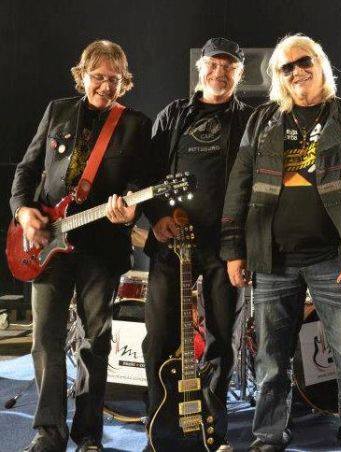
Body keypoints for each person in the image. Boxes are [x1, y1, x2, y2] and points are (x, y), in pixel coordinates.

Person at [221, 34, 341, 452]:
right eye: (287, 67)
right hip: (272, 259)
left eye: (304, 62)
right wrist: (234, 250)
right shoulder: (262, 120)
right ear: (278, 76)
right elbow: (238, 186)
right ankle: (268, 435)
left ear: (321, 64)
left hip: (337, 258)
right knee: (271, 359)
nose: (297, 71)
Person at [10, 40, 153, 452]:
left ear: (125, 82)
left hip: (101, 247)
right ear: (82, 76)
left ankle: (88, 433)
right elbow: (27, 170)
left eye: (114, 79)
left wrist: (130, 210)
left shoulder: (135, 124)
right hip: (47, 242)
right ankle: (49, 432)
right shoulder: (57, 111)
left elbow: (140, 182)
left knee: (96, 340)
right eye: (98, 77)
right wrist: (23, 212)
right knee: (45, 339)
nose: (105, 86)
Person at [141, 37, 253, 451]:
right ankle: (160, 429)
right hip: (173, 244)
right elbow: (148, 174)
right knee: (160, 339)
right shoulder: (173, 115)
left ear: (240, 74)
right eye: (213, 65)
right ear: (200, 67)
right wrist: (157, 218)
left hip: (226, 248)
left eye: (229, 67)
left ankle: (211, 431)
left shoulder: (250, 120)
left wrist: (242, 246)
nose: (220, 73)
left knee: (222, 340)